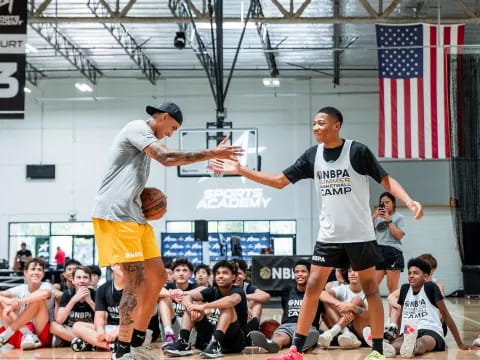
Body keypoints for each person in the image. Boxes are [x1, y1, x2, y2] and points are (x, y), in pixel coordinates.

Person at [211, 106, 423, 360]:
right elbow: (279, 181)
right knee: (312, 288)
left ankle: (377, 351)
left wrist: (409, 201)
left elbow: (385, 179)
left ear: (337, 125)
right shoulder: (313, 156)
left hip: (359, 235)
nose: (315, 127)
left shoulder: (357, 151)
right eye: (314, 123)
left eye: (321, 123)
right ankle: (295, 350)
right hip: (328, 236)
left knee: (371, 290)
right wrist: (242, 170)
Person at [91, 102, 243, 360]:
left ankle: (138, 338)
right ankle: (122, 347)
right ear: (162, 117)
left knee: (159, 276)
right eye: (172, 127)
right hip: (115, 214)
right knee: (136, 280)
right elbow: (167, 157)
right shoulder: (137, 128)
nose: (171, 133)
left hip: (136, 215)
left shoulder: (145, 139)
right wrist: (212, 153)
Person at [364, 258, 471, 357]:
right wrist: (396, 335)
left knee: (423, 342)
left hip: (430, 330)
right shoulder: (405, 289)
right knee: (398, 343)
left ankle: (411, 348)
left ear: (425, 276)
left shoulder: (431, 287)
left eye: (415, 273)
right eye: (409, 273)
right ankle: (386, 348)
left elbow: (446, 315)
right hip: (408, 330)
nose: (411, 275)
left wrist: (460, 343)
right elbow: (401, 315)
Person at [164, 260, 248, 358]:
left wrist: (203, 307)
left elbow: (232, 301)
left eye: (225, 273)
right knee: (192, 305)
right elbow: (187, 296)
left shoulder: (237, 290)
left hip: (235, 340)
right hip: (211, 337)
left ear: (233, 277)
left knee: (227, 307)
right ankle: (183, 342)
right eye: (218, 273)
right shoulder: (213, 290)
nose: (220, 276)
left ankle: (216, 343)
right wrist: (190, 307)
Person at [71, 264, 160, 352]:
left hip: (136, 330)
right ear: (113, 266)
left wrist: (118, 331)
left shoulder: (139, 286)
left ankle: (94, 343)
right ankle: (111, 346)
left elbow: (137, 316)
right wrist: (100, 330)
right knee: (77, 326)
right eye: (120, 264)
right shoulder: (103, 289)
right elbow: (99, 317)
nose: (124, 267)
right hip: (112, 328)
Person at [249, 260, 321, 353]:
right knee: (279, 336)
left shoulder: (317, 293)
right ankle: (272, 345)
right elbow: (277, 303)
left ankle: (303, 345)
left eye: (303, 271)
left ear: (310, 274)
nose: (299, 274)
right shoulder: (288, 290)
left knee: (310, 334)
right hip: (288, 325)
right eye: (296, 272)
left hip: (307, 326)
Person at [0, 258, 54, 350]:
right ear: (25, 273)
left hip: (39, 333)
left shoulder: (46, 285)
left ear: (43, 274)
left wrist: (19, 302)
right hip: (20, 331)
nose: (36, 272)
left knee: (38, 300)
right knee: (1, 300)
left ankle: (8, 334)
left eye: (39, 270)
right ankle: (26, 333)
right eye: (33, 269)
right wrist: (9, 302)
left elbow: (45, 294)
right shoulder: (21, 288)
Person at [319, 267, 368, 349]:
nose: (352, 273)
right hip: (343, 330)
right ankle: (347, 334)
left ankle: (331, 333)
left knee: (357, 300)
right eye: (349, 271)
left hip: (360, 330)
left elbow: (369, 315)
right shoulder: (343, 288)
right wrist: (340, 304)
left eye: (355, 271)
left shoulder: (369, 291)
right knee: (328, 301)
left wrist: (352, 307)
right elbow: (322, 294)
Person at [50, 266, 96, 346]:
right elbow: (59, 320)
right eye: (78, 277)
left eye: (85, 277)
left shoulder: (95, 294)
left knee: (101, 327)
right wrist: (73, 300)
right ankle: (88, 342)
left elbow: (103, 320)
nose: (82, 281)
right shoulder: (67, 294)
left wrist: (90, 301)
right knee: (53, 326)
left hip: (88, 329)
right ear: (73, 280)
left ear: (89, 280)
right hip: (71, 330)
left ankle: (83, 342)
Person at [158, 258, 198, 345]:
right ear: (173, 274)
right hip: (173, 327)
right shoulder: (168, 287)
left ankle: (185, 339)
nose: (181, 273)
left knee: (197, 301)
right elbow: (153, 291)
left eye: (185, 270)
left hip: (190, 331)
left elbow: (203, 290)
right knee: (164, 298)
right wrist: (170, 294)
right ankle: (169, 333)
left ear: (190, 273)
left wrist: (183, 293)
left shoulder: (195, 287)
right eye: (178, 270)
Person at [373, 192, 406, 293]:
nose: (385, 205)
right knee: (373, 287)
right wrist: (374, 216)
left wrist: (388, 220)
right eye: (382, 203)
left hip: (393, 251)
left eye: (387, 202)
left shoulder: (399, 217)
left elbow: (399, 236)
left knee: (392, 288)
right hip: (378, 251)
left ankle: (395, 309)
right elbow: (366, 232)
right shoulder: (376, 217)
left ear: (393, 204)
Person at [232, 259, 270, 333]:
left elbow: (266, 296)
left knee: (257, 302)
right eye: (234, 273)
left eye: (239, 273)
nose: (237, 276)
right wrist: (245, 306)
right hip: (230, 322)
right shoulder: (226, 287)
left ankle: (252, 331)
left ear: (244, 276)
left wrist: (244, 297)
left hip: (244, 321)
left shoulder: (247, 287)